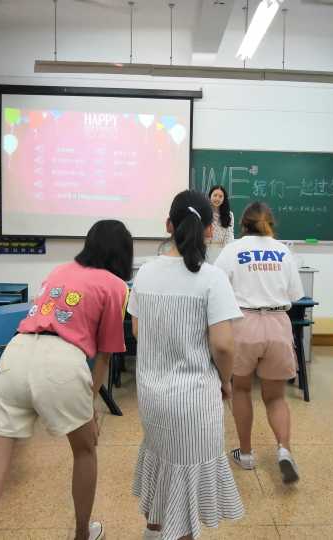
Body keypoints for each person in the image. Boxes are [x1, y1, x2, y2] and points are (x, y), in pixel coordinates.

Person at [0, 220, 133, 540]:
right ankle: (83, 534)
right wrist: (89, 404)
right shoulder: (115, 285)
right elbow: (104, 355)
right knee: (84, 450)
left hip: (14, 353)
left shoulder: (59, 271)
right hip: (62, 361)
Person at [128, 190, 244, 540]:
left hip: (151, 397)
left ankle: (153, 532)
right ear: (209, 230)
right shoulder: (211, 278)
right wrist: (226, 381)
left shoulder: (146, 273)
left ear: (169, 225)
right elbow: (223, 345)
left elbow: (137, 331)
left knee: (161, 467)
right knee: (186, 492)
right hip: (193, 403)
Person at [214, 202, 304, 484]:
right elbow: (296, 295)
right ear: (270, 223)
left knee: (241, 389)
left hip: (244, 324)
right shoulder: (283, 251)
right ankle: (284, 450)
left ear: (243, 224)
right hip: (278, 326)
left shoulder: (232, 250)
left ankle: (246, 453)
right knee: (276, 397)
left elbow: (216, 287)